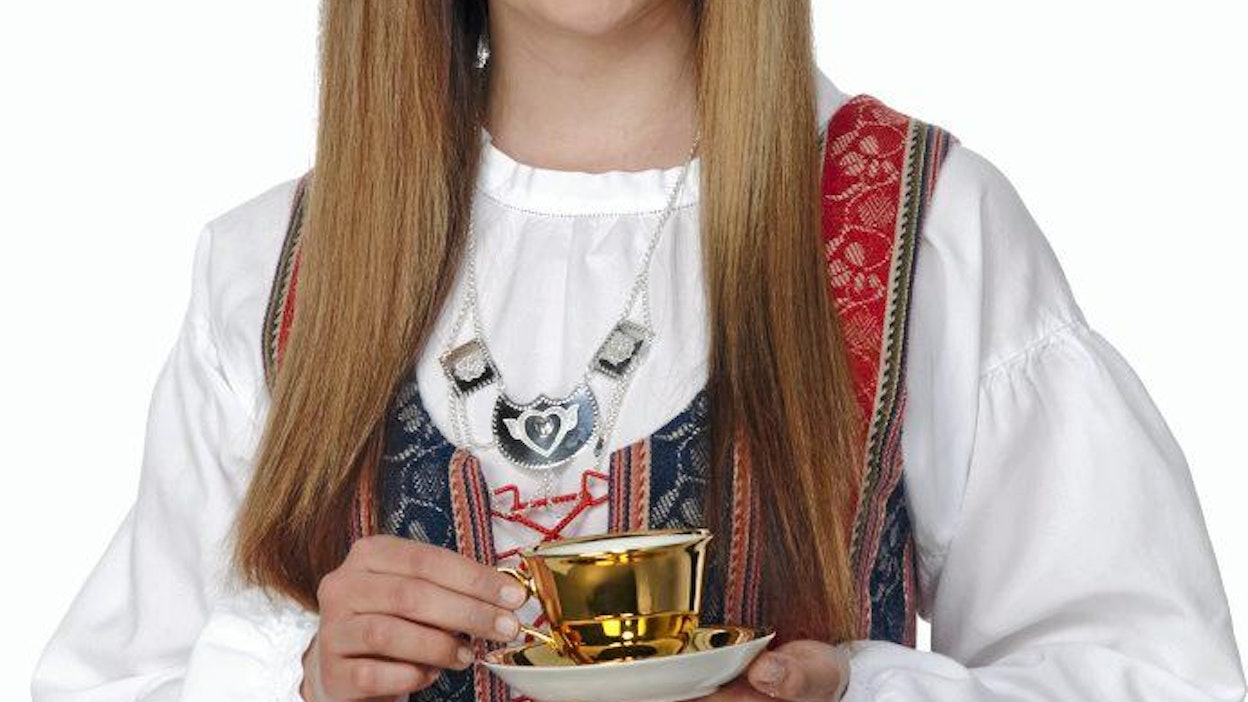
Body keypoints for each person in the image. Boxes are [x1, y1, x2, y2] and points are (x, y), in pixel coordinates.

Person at [31, 2, 1245, 702]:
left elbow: (1157, 676)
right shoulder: (277, 265)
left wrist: (868, 691)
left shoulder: (916, 227)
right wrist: (295, 678)